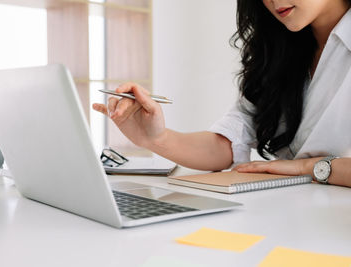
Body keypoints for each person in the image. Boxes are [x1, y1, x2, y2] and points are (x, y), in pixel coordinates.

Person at [93, 0, 351, 188]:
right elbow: (229, 143)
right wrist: (156, 138)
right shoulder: (280, 51)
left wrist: (307, 167)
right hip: (288, 214)